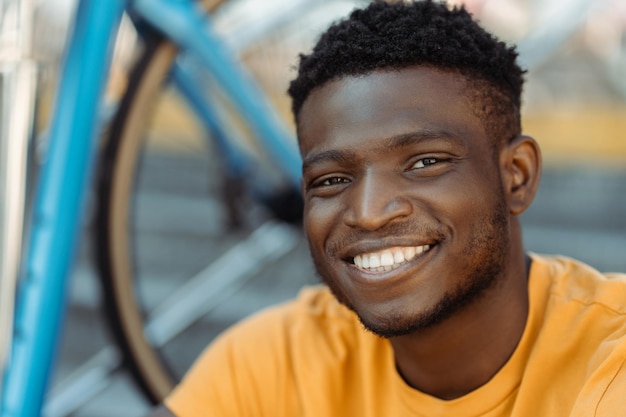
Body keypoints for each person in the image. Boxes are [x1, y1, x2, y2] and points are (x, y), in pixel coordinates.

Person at [148, 1, 626, 415]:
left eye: (424, 162)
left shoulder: (609, 359)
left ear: (516, 175)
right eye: (332, 179)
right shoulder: (277, 358)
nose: (370, 212)